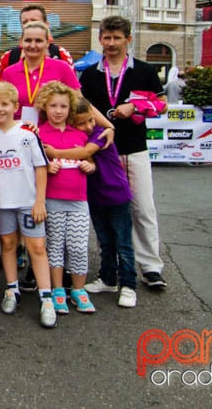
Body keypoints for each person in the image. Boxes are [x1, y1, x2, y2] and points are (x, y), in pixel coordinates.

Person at [79, 15, 169, 290]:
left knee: (142, 208)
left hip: (134, 149)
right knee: (106, 211)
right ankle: (111, 268)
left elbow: (162, 103)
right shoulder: (92, 74)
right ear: (100, 40)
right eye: (107, 38)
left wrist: (137, 107)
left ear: (128, 40)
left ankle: (151, 267)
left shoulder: (143, 70)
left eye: (117, 38)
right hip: (104, 152)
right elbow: (83, 109)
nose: (111, 43)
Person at [44, 99, 138, 308]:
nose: (88, 126)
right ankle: (108, 279)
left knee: (123, 242)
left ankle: (129, 284)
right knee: (105, 240)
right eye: (81, 123)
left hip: (116, 194)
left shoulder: (99, 133)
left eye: (89, 121)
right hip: (94, 196)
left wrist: (55, 153)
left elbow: (85, 153)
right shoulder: (76, 136)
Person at [0, 81, 56, 329]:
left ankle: (46, 298)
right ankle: (11, 289)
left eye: (5, 104)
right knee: (7, 244)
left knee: (37, 247)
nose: (0, 108)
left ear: (16, 106)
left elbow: (41, 167)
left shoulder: (28, 134)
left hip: (28, 202)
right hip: (3, 203)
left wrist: (39, 201)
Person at [34, 81, 97, 315]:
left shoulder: (80, 135)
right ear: (44, 107)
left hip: (79, 201)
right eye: (53, 106)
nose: (58, 111)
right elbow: (32, 165)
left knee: (79, 247)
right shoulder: (39, 134)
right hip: (52, 200)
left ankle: (79, 290)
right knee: (56, 247)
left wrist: (90, 167)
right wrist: (46, 167)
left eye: (63, 106)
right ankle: (58, 289)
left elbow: (91, 162)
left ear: (70, 109)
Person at [0, 4, 74, 70]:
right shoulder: (9, 57)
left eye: (34, 21)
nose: (29, 25)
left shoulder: (61, 55)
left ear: (46, 25)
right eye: (25, 22)